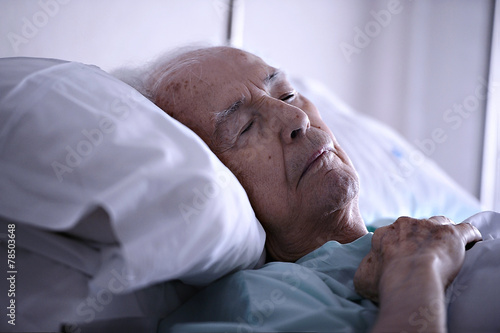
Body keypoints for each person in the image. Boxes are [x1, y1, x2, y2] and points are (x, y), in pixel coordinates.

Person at [127, 46, 483, 332]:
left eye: (288, 94)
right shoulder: (254, 307)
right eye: (246, 127)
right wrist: (416, 274)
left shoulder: (404, 229)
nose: (297, 118)